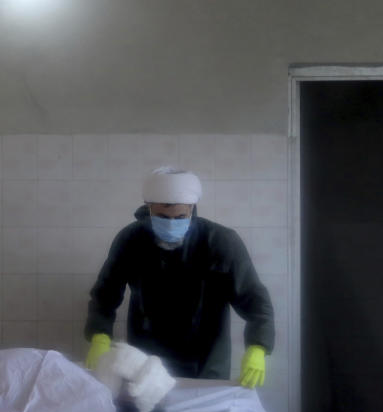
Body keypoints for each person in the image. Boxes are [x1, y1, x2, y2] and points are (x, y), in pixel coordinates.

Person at [84, 166, 274, 387]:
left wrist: (258, 347)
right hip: (145, 358)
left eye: (181, 217)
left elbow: (255, 300)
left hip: (205, 360)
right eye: (163, 217)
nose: (172, 224)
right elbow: (105, 294)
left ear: (192, 208)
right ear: (149, 208)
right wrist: (100, 335)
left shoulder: (220, 241)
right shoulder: (131, 239)